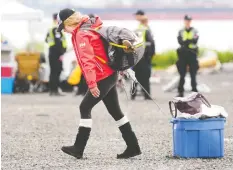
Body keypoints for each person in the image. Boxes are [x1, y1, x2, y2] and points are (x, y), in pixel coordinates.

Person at [56, 8, 141, 159]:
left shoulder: (82, 34)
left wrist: (92, 84)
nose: (65, 31)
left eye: (64, 27)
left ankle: (78, 148)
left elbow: (87, 61)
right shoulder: (89, 27)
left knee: (84, 107)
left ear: (69, 22)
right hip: (110, 75)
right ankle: (133, 146)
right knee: (116, 112)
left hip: (102, 77)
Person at [131, 10, 155, 100]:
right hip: (144, 56)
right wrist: (151, 54)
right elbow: (150, 43)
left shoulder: (142, 28)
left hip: (140, 56)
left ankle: (134, 94)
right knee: (144, 75)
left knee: (137, 75)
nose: (136, 17)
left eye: (137, 16)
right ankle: (146, 95)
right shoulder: (144, 29)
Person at [176, 15, 199, 97]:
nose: (188, 22)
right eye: (186, 20)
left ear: (190, 21)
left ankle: (194, 91)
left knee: (193, 73)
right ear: (184, 21)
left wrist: (186, 41)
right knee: (182, 74)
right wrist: (189, 41)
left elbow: (195, 40)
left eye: (189, 20)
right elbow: (179, 41)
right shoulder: (181, 31)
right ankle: (180, 91)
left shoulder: (195, 31)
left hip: (192, 54)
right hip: (183, 54)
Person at [45, 13, 67, 96]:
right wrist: (61, 53)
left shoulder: (50, 28)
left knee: (53, 72)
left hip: (52, 52)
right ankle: (55, 90)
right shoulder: (56, 28)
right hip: (56, 53)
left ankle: (52, 90)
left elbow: (46, 40)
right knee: (56, 72)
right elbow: (58, 42)